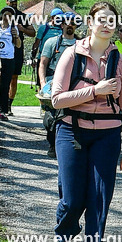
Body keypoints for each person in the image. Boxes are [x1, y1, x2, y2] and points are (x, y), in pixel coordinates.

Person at [50, 1, 122, 242]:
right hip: (70, 131)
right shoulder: (71, 55)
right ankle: (63, 233)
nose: (107, 24)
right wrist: (94, 91)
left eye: (112, 20)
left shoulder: (121, 62)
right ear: (90, 22)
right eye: (101, 19)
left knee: (99, 201)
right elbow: (56, 99)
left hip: (107, 136)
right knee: (73, 199)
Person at [38, 12, 80, 156]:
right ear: (61, 25)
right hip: (53, 82)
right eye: (67, 23)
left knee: (72, 115)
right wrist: (43, 83)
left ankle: (70, 145)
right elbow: (43, 64)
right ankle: (52, 144)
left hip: (74, 83)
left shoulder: (80, 45)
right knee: (51, 116)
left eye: (73, 23)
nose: (70, 25)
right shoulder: (51, 42)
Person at [5, 0, 35, 113]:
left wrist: (22, 29)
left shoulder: (22, 16)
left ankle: (8, 104)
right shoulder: (3, 15)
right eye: (11, 1)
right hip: (5, 48)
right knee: (1, 77)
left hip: (18, 48)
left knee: (14, 77)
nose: (14, 3)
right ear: (6, 1)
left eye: (15, 1)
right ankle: (0, 102)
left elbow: (33, 33)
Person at [31, 8, 64, 85]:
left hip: (58, 59)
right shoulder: (44, 28)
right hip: (43, 58)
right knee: (41, 82)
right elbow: (37, 43)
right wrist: (33, 57)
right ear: (52, 18)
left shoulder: (63, 29)